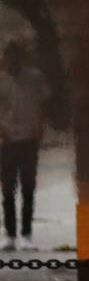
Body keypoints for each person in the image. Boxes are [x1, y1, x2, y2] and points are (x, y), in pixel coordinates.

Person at [0, 40, 51, 251]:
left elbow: (45, 102)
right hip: (7, 139)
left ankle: (27, 234)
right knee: (7, 189)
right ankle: (10, 235)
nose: (12, 60)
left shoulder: (35, 78)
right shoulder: (1, 80)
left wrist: (41, 124)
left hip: (29, 138)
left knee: (28, 187)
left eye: (15, 56)